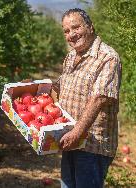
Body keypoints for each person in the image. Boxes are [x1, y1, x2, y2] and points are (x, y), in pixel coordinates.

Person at [55, 8, 122, 188]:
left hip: (93, 144)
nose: (71, 35)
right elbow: (63, 85)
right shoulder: (71, 56)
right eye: (66, 31)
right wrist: (33, 87)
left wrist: (77, 132)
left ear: (90, 27)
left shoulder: (108, 58)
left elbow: (99, 98)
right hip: (71, 138)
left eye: (76, 28)